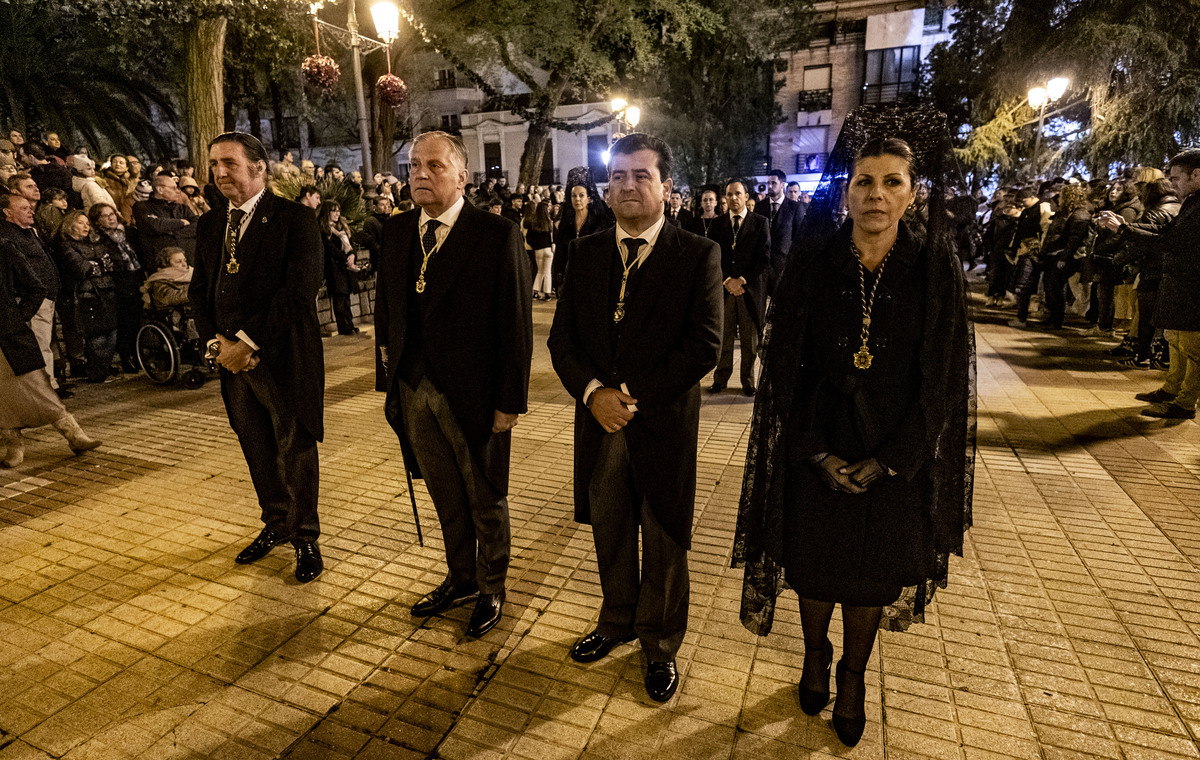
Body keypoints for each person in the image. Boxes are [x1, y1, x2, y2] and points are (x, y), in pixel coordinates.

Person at [734, 111, 974, 748]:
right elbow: (784, 363)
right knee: (814, 568)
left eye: (891, 182)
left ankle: (852, 674)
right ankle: (815, 656)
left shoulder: (933, 267)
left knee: (870, 575)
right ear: (846, 191)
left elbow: (946, 377)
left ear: (911, 193)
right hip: (820, 442)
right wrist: (816, 451)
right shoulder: (815, 260)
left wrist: (894, 459)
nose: (876, 194)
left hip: (895, 450)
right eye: (864, 181)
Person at [547, 133, 723, 703]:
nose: (627, 185)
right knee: (611, 526)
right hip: (599, 423)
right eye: (617, 175)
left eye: (640, 175)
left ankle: (660, 643)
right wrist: (595, 393)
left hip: (662, 423)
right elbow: (561, 339)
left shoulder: (697, 253)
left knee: (664, 536)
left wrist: (630, 395)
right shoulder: (586, 252)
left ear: (666, 187)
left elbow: (704, 347)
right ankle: (617, 619)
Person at [375, 131, 532, 638]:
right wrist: (390, 380)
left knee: (484, 496)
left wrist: (510, 401)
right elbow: (387, 312)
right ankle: (461, 576)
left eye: (435, 166)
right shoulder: (398, 232)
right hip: (413, 386)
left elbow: (515, 323)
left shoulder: (495, 234)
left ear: (462, 176)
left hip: (474, 392)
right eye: (415, 165)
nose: (420, 174)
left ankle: (492, 587)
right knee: (444, 491)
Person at [189, 131, 326, 582]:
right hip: (231, 365)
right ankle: (276, 525)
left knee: (295, 449)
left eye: (229, 162)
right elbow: (200, 292)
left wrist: (246, 343)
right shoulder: (211, 224)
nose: (220, 172)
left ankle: (306, 538)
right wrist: (216, 345)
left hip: (284, 360)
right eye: (214, 164)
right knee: (256, 447)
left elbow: (298, 293)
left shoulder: (295, 220)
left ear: (258, 167)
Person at [1099, 149, 1200, 419]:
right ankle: (1172, 388)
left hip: (1192, 287)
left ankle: (1186, 402)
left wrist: (1125, 230)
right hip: (1178, 282)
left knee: (1192, 347)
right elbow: (1168, 232)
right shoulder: (1191, 201)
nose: (1172, 184)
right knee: (1176, 340)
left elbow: (1171, 242)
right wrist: (1125, 227)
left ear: (1196, 174)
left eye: (1177, 178)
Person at [0, 240, 101, 468]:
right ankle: (14, 445)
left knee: (36, 385)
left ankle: (74, 434)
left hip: (10, 336)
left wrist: (17, 317)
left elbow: (36, 287)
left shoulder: (4, 248)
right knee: (2, 394)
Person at [710, 179, 770, 395]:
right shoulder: (717, 225)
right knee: (723, 338)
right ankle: (720, 379)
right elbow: (713, 257)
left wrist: (742, 280)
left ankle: (748, 381)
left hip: (749, 290)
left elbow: (764, 257)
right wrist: (727, 280)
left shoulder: (760, 222)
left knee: (749, 340)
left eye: (737, 193)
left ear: (746, 196)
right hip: (725, 290)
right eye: (729, 194)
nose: (733, 198)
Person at [1111, 178, 1180, 367]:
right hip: (1168, 270)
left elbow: (1144, 244)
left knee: (1146, 317)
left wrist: (1118, 260)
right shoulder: (1180, 209)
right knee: (1160, 318)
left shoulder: (1155, 212)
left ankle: (1143, 356)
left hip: (1152, 270)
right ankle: (1158, 355)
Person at [0, 194, 62, 392]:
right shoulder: (8, 238)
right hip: (32, 300)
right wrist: (23, 312)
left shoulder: (30, 232)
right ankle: (45, 390)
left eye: (30, 207)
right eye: (24, 208)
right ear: (7, 212)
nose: (31, 211)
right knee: (39, 345)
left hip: (46, 296)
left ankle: (50, 384)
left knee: (46, 343)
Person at [56, 210, 120, 383]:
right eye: (80, 223)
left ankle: (103, 369)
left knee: (111, 333)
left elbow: (111, 263)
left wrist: (95, 265)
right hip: (86, 294)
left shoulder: (95, 242)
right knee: (96, 336)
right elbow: (81, 269)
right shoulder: (65, 245)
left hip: (107, 291)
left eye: (87, 223)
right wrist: (98, 265)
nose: (86, 226)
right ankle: (97, 373)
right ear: (70, 225)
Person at [89, 203, 145, 372]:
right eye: (105, 216)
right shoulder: (99, 240)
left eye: (112, 213)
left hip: (136, 277)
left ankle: (138, 355)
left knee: (137, 321)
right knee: (124, 322)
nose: (111, 218)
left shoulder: (128, 232)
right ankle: (126, 357)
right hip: (119, 282)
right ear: (98, 221)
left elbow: (139, 254)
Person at [552, 167, 612, 291]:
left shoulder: (599, 223)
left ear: (589, 199)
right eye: (574, 196)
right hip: (570, 281)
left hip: (593, 280)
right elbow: (560, 254)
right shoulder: (566, 224)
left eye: (581, 195)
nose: (577, 199)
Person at [134, 174, 199, 267]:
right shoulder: (142, 207)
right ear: (160, 190)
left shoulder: (182, 208)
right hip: (162, 263)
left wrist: (169, 231)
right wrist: (181, 222)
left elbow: (199, 226)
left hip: (190, 261)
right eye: (173, 188)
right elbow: (154, 226)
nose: (178, 191)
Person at [759, 169, 806, 294]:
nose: (770, 186)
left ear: (782, 185)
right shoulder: (760, 207)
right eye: (769, 183)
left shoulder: (795, 208)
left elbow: (799, 240)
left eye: (774, 183)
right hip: (761, 266)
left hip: (783, 267)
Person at [317, 200, 359, 335]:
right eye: (333, 211)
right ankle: (344, 327)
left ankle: (350, 324)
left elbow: (351, 246)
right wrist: (345, 257)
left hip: (346, 267)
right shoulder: (324, 229)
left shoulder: (342, 228)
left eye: (338, 211)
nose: (337, 214)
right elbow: (329, 249)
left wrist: (352, 255)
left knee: (346, 297)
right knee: (339, 297)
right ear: (327, 212)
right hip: (335, 268)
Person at [527, 201, 555, 300]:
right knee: (547, 271)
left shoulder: (533, 222)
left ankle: (535, 292)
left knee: (539, 271)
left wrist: (535, 245)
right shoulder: (549, 221)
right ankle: (547, 293)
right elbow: (552, 237)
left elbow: (528, 238)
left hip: (538, 250)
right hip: (548, 249)